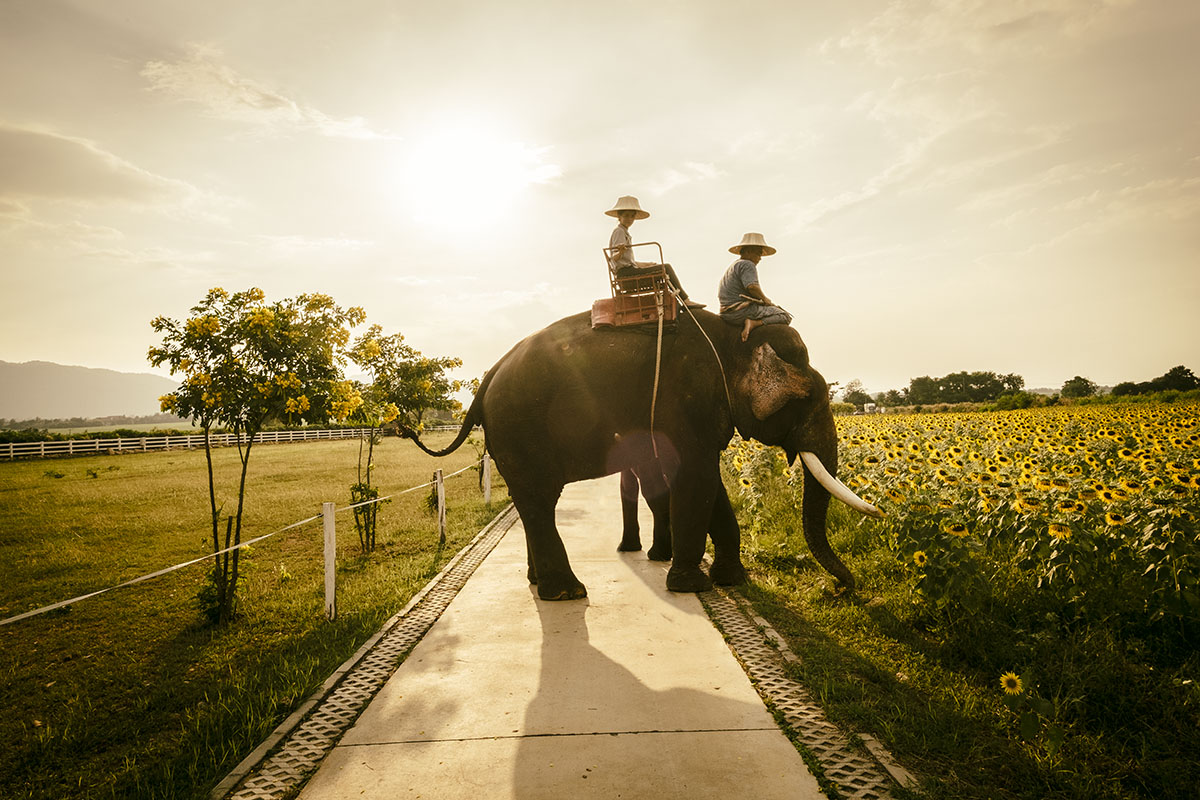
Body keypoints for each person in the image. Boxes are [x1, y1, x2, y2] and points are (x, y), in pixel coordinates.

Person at [605, 196, 703, 308]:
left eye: (632, 216)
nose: (629, 219)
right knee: (666, 268)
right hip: (625, 275)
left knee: (659, 267)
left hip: (628, 271)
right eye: (626, 215)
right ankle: (685, 300)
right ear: (619, 216)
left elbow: (628, 261)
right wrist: (621, 252)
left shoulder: (624, 232)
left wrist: (648, 264)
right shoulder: (619, 232)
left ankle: (678, 301)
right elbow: (614, 257)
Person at [717, 232, 792, 341]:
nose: (760, 258)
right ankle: (754, 323)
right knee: (785, 316)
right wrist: (766, 299)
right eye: (758, 254)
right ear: (748, 251)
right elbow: (752, 287)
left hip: (726, 311)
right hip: (740, 311)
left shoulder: (735, 265)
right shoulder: (748, 264)